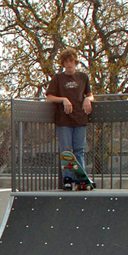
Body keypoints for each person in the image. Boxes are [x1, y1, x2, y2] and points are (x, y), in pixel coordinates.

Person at [45, 49, 94, 185]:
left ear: (75, 62)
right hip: (64, 120)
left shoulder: (83, 77)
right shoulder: (58, 78)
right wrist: (63, 99)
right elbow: (49, 97)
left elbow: (90, 94)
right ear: (63, 64)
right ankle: (68, 178)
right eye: (66, 62)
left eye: (71, 61)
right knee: (66, 151)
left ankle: (81, 179)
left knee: (79, 150)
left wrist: (88, 99)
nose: (69, 64)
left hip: (80, 118)